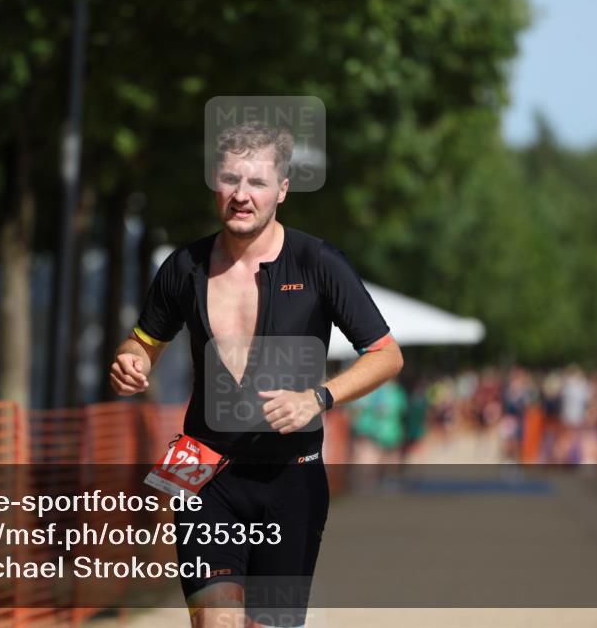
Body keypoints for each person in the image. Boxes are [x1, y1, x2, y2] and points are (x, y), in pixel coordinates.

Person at [109, 121, 403, 628]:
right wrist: (131, 360)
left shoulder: (318, 263)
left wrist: (319, 398)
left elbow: (386, 355)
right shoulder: (185, 267)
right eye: (231, 180)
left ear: (282, 189)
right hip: (205, 476)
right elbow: (143, 342)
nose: (242, 195)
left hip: (291, 479)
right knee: (217, 620)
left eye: (258, 182)